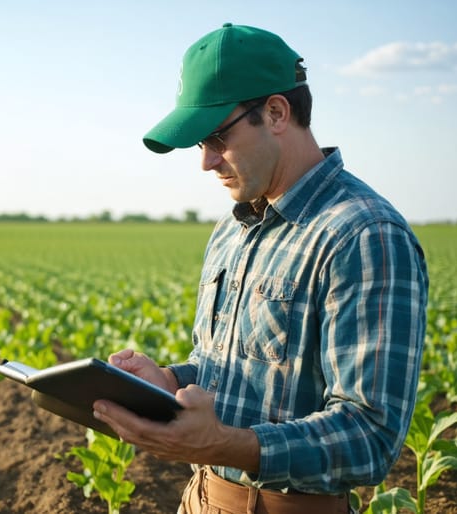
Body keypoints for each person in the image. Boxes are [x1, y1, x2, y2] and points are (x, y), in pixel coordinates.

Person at [91, 23, 429, 514]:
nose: (206, 162)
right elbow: (231, 370)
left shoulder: (363, 234)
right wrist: (165, 382)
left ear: (275, 112)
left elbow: (370, 435)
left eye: (215, 137)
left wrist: (226, 445)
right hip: (200, 499)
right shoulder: (234, 228)